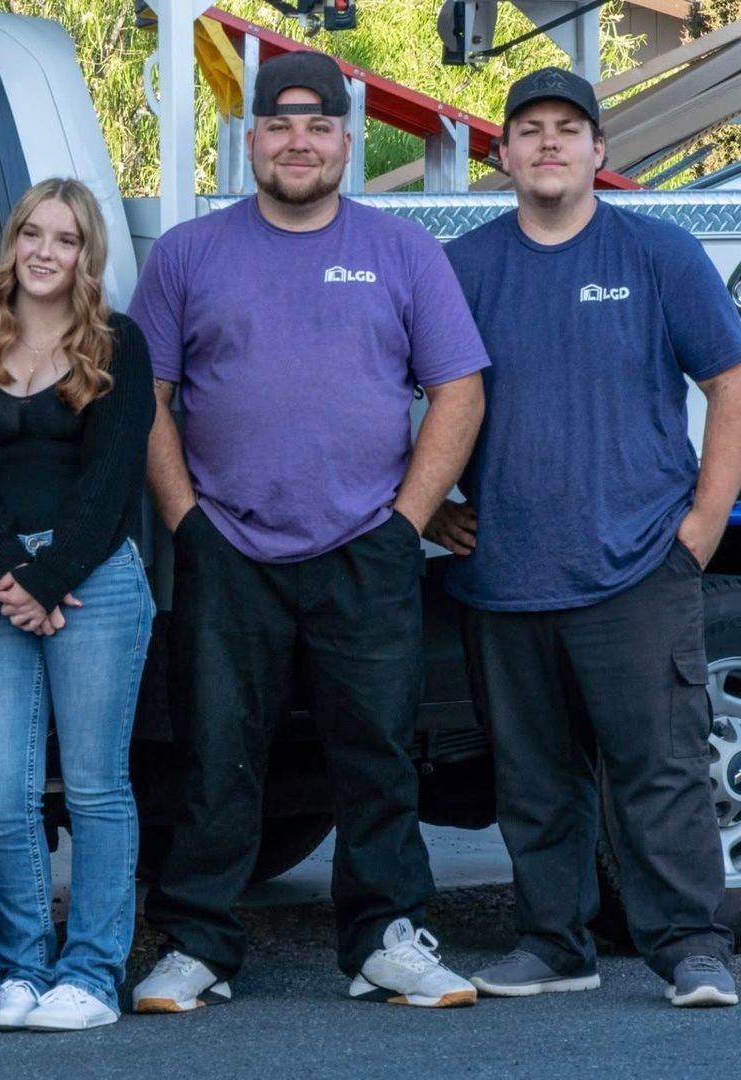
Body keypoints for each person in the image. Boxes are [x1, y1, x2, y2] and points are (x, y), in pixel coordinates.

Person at [127, 50, 490, 1012]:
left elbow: (460, 390)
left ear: (345, 142)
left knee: (376, 753)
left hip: (364, 549)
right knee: (215, 754)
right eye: (280, 123)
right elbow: (147, 399)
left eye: (318, 125)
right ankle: (197, 946)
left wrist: (405, 519)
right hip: (227, 550)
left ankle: (388, 941)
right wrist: (186, 520)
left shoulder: (403, 250)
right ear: (252, 140)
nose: (299, 141)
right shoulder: (189, 253)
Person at [435, 67, 741, 1007]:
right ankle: (552, 945)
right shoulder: (466, 267)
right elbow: (411, 389)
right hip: (504, 572)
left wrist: (699, 524)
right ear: (504, 156)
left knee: (662, 770)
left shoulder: (658, 254)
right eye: (530, 131)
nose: (550, 144)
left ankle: (692, 950)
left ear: (600, 151)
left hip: (639, 566)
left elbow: (728, 381)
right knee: (533, 780)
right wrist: (433, 503)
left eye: (570, 129)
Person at [0, 178, 155, 1031]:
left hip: (93, 580)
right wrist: (16, 576)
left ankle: (93, 976)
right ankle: (24, 969)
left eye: (65, 238)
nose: (46, 251)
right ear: (10, 245)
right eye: (33, 234)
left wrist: (51, 580)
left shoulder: (117, 347)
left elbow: (112, 478)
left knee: (96, 788)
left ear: (85, 253)